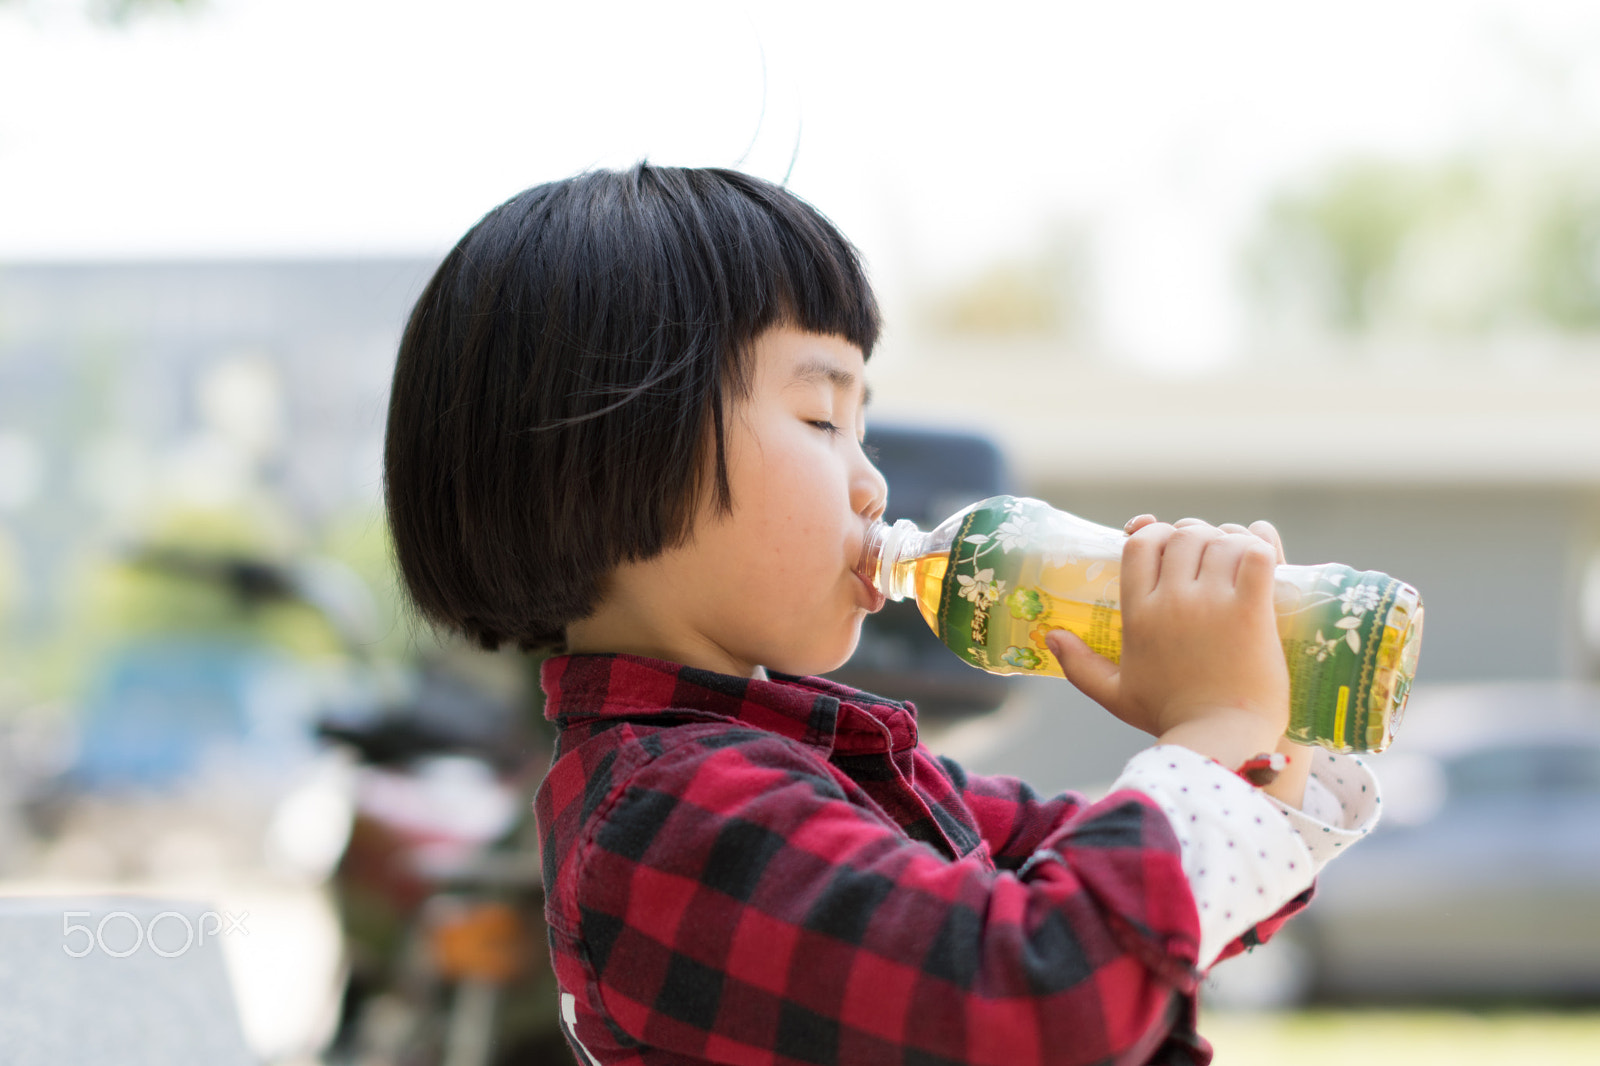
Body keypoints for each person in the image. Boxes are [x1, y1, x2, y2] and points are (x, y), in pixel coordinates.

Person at [382, 164, 1379, 1065]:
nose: (873, 484)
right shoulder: (671, 815)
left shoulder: (811, 758)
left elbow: (1080, 871)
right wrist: (1203, 743)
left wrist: (1260, 731)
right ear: (604, 465)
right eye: (823, 418)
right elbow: (1033, 1000)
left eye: (862, 426)